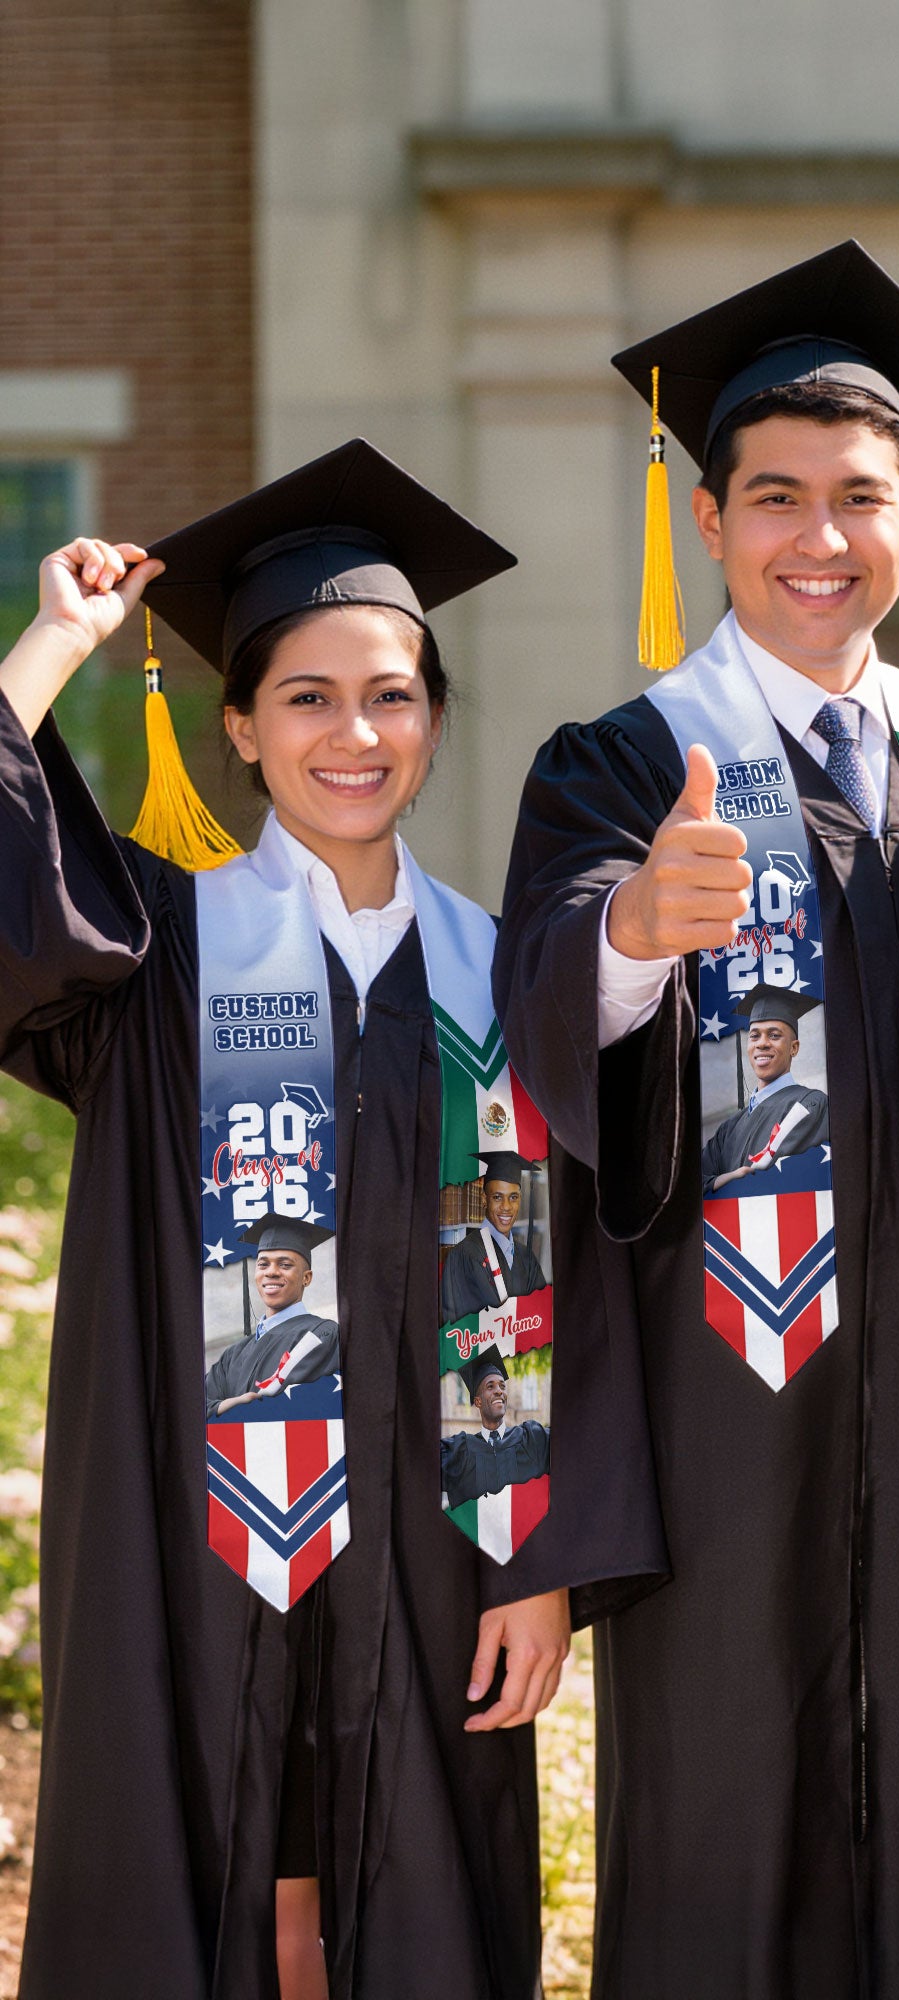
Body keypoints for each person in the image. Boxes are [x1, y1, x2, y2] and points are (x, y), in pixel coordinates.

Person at [493, 242, 899, 1997]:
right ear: (710, 521)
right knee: (734, 1830)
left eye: (859, 498)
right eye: (775, 499)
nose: (817, 538)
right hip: (732, 1405)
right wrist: (632, 932)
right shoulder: (621, 764)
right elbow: (545, 1013)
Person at [0, 442, 662, 2000]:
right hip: (194, 1529)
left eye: (390, 694)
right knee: (204, 1869)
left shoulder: (511, 976)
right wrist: (52, 647)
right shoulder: (159, 954)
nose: (352, 733)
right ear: (238, 726)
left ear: (434, 719)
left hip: (444, 1547)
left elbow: (594, 1281)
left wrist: (544, 1559)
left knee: (420, 1898)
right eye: (305, 696)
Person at [696, 984, 830, 1191]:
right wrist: (723, 1180)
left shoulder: (809, 1106)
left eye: (774, 1035)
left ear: (794, 1048)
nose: (762, 1043)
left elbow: (786, 1178)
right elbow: (691, 1185)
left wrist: (728, 1182)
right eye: (754, 1035)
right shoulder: (728, 1129)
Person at [205, 1217, 340, 1416]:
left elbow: (296, 1406)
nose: (272, 1272)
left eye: (285, 1265)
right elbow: (192, 1407)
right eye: (263, 1265)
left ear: (306, 1277)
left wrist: (233, 1408)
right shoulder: (232, 1356)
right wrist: (224, 1406)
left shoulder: (320, 1336)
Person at [438, 1151, 550, 1320]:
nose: (506, 1207)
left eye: (513, 1197)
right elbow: (454, 1326)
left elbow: (539, 1313)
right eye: (497, 1197)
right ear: (484, 1199)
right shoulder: (463, 1256)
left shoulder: (527, 1257)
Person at [441, 1350, 552, 1509]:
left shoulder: (531, 1440)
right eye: (490, 1386)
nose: (499, 1390)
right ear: (477, 1401)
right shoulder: (461, 1451)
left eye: (502, 1385)